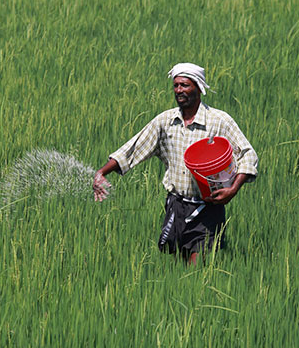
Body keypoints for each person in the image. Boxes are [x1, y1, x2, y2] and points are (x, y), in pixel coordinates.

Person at [92, 63, 258, 264]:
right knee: (180, 271)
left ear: (198, 87)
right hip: (176, 206)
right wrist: (102, 172)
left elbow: (248, 155)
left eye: (185, 85)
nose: (179, 90)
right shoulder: (166, 121)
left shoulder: (219, 121)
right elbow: (133, 148)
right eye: (176, 85)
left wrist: (233, 189)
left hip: (208, 208)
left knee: (198, 270)